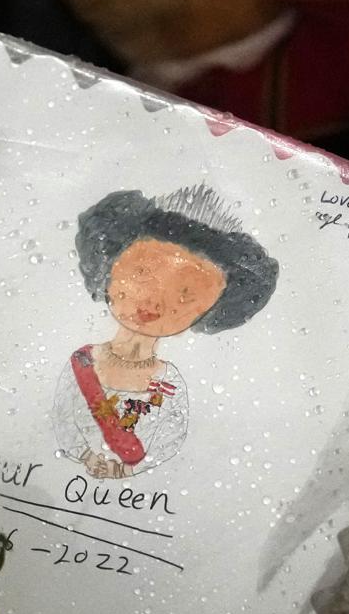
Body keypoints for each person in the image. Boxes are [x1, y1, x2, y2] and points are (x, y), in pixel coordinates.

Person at [52, 183, 278, 478]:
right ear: (108, 266)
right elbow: (63, 419)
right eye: (142, 273)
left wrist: (129, 471)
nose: (154, 301)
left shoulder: (169, 383)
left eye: (186, 294)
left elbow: (169, 438)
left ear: (209, 311)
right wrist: (86, 456)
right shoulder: (82, 362)